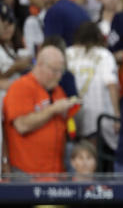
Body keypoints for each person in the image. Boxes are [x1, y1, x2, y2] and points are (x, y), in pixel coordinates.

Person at [2, 45, 78, 174]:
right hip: (27, 172)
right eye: (54, 71)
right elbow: (22, 125)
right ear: (40, 65)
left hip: (55, 171)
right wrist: (53, 109)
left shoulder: (58, 91)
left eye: (61, 71)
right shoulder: (21, 87)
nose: (58, 76)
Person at [66, 22, 119, 146]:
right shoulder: (104, 55)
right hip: (96, 114)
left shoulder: (67, 53)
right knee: (91, 156)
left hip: (71, 111)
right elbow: (111, 85)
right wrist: (116, 114)